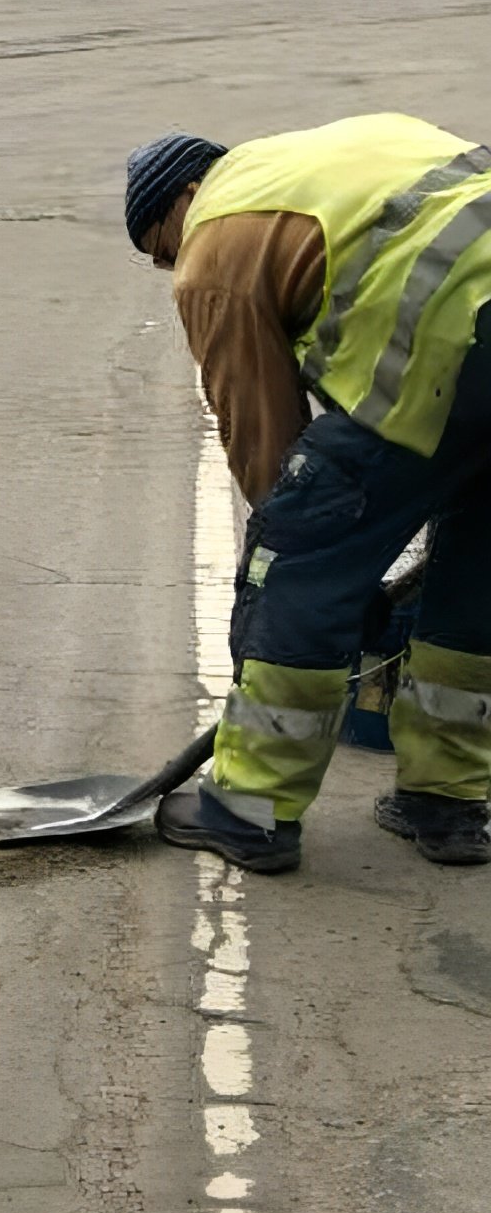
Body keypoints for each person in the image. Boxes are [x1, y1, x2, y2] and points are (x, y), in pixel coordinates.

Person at [126, 115, 491, 875]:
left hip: (447, 332)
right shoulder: (329, 157)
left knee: (298, 556)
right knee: (477, 568)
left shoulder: (215, 245)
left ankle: (250, 811)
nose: (172, 271)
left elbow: (260, 428)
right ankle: (447, 802)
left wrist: (304, 541)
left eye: (162, 248)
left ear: (187, 194)